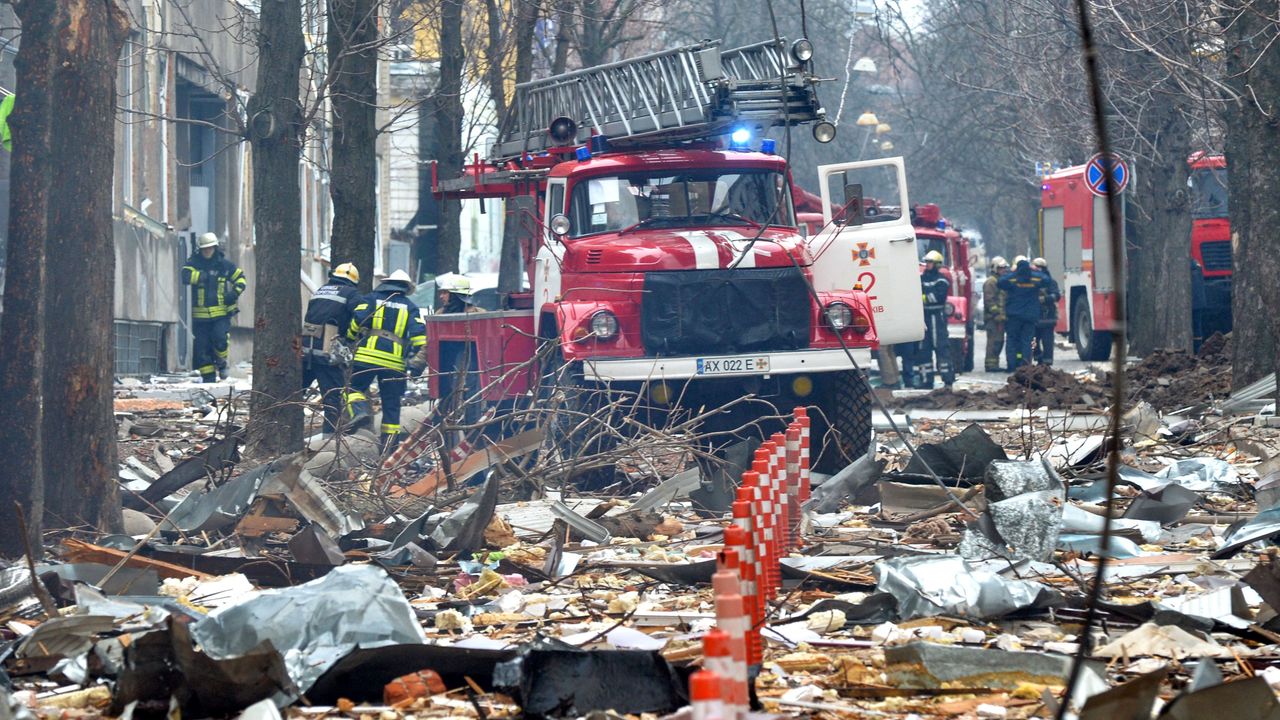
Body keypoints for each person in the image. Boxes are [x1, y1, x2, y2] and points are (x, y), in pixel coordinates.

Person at [343, 269, 427, 453]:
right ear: (405, 287)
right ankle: (388, 451)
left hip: (367, 356)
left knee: (353, 388)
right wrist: (413, 360)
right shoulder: (410, 306)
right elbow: (420, 338)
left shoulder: (371, 299)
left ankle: (359, 412)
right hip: (394, 363)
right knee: (391, 405)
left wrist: (349, 338)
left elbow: (356, 321)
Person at [302, 263, 362, 433]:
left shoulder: (321, 290)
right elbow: (361, 315)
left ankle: (287, 432)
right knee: (333, 398)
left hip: (307, 351)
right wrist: (351, 337)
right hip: (328, 354)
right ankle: (328, 440)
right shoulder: (351, 293)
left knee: (296, 394)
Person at [181, 232, 246, 383]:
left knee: (220, 339)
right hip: (200, 317)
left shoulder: (224, 265)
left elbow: (241, 279)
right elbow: (185, 275)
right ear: (200, 250)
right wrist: (202, 276)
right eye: (205, 249)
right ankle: (208, 379)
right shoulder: (194, 263)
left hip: (221, 314)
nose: (207, 251)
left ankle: (222, 362)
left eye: (210, 248)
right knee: (202, 349)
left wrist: (234, 294)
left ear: (215, 248)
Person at [904, 250, 955, 388]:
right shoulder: (920, 279)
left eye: (930, 262)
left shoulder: (942, 280)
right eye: (927, 262)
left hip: (937, 319)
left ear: (937, 264)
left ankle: (948, 380)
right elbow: (913, 293)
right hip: (924, 318)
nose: (927, 265)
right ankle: (926, 380)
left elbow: (937, 298)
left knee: (942, 349)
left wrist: (922, 297)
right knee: (923, 351)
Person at [997, 257, 1053, 371]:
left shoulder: (1012, 278)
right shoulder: (1035, 278)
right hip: (1030, 315)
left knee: (1012, 340)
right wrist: (1035, 271)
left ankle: (1012, 365)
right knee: (1027, 341)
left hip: (1013, 315)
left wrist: (1013, 272)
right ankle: (1025, 365)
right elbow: (1047, 280)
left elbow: (1000, 282)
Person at [1031, 257, 1061, 365]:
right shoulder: (1030, 281)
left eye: (1040, 268)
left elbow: (1056, 295)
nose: (1038, 270)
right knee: (1033, 341)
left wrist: (1044, 299)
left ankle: (1047, 362)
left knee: (1048, 342)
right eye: (1036, 267)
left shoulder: (1050, 282)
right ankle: (1037, 355)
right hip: (1034, 317)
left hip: (1048, 316)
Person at [983, 256, 1009, 372]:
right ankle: (990, 365)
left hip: (1000, 318)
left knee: (999, 341)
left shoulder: (1001, 281)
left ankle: (995, 363)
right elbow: (989, 301)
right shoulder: (991, 282)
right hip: (993, 319)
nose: (1003, 270)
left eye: (1004, 268)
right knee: (993, 342)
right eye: (1000, 268)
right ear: (994, 268)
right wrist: (997, 314)